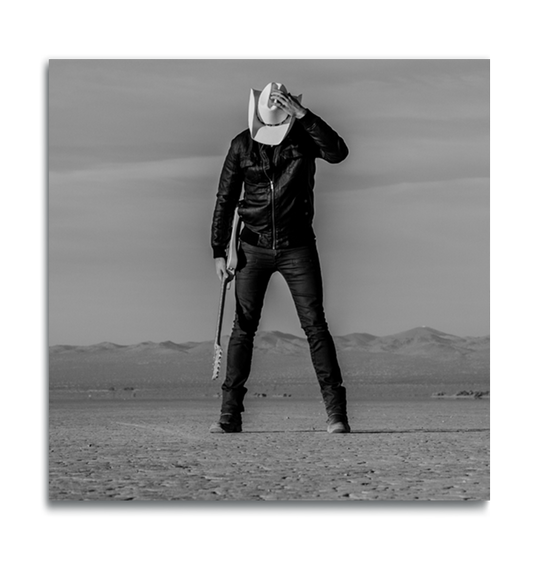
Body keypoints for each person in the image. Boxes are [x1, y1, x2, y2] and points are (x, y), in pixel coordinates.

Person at [210, 82, 350, 434]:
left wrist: (304, 116)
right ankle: (230, 416)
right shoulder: (241, 144)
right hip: (251, 248)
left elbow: (338, 152)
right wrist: (217, 251)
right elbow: (225, 198)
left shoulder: (304, 138)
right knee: (243, 328)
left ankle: (336, 415)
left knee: (315, 326)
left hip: (297, 246)